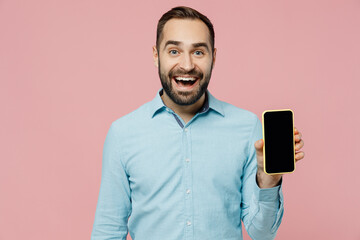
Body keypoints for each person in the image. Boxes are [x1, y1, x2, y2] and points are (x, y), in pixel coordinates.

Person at [91, 6, 305, 240]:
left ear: (214, 57)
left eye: (199, 52)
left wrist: (268, 181)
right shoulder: (122, 134)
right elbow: (108, 232)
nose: (187, 65)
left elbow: (262, 234)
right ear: (156, 55)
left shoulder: (246, 127)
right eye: (174, 51)